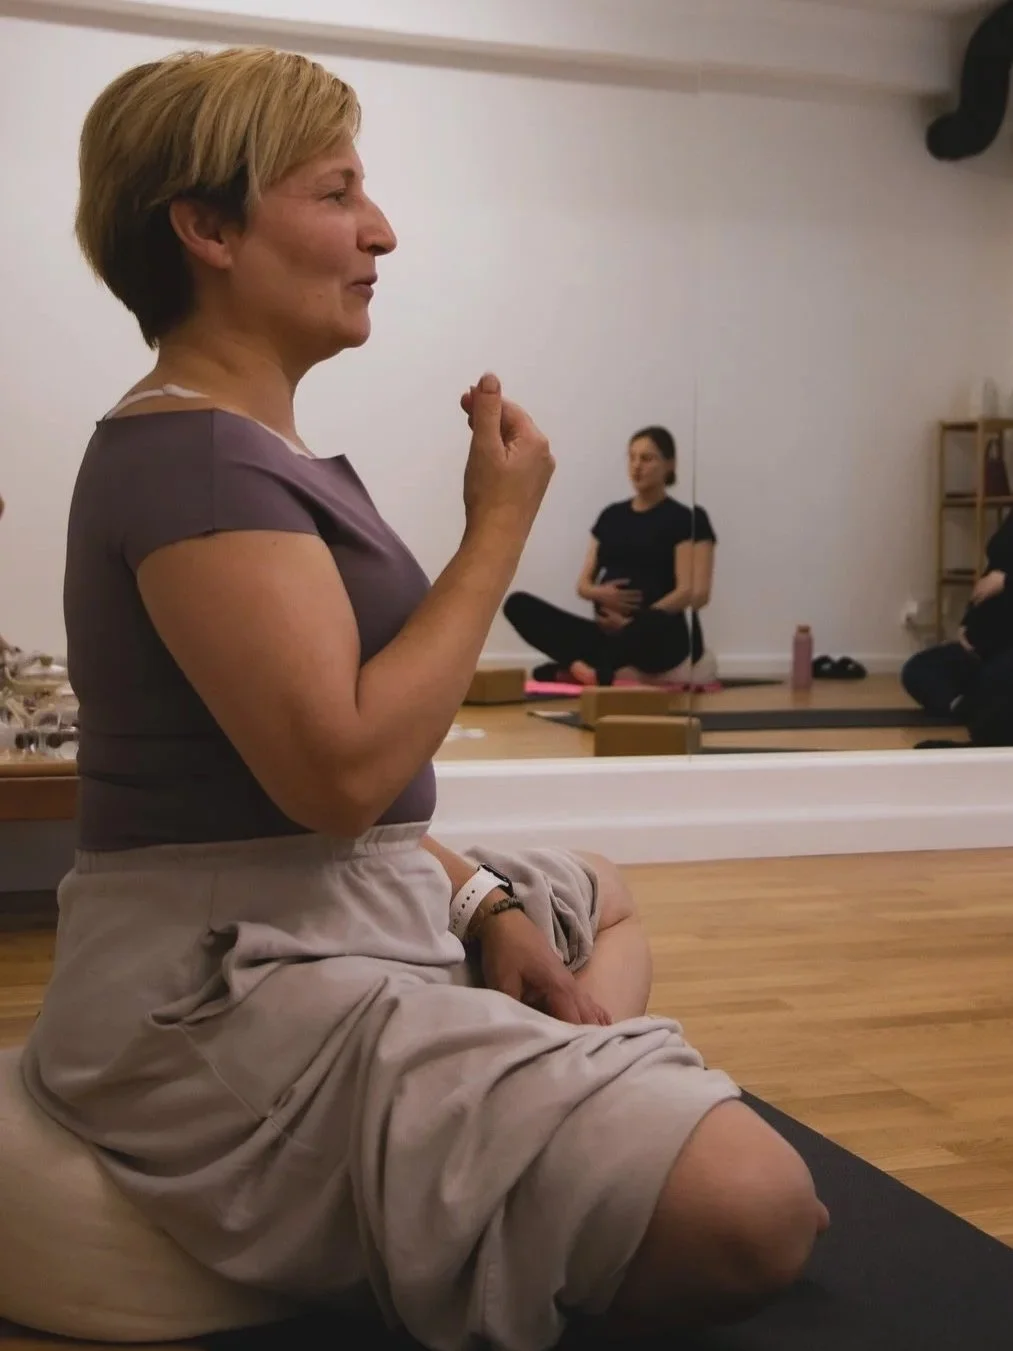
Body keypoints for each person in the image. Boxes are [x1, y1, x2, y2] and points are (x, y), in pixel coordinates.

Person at [20, 47, 826, 1351]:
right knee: (759, 1207)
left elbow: (350, 805)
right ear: (208, 227)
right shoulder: (195, 461)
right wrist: (495, 533)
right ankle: (525, 1125)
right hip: (226, 974)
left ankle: (541, 1093)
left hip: (334, 887)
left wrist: (482, 900)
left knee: (596, 889)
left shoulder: (239, 449)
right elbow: (336, 777)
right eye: (337, 192)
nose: (381, 229)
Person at [504, 426, 717, 686]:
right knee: (517, 604)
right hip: (609, 633)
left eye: (647, 458)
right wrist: (600, 594)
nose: (637, 466)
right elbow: (583, 585)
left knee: (654, 627)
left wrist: (634, 622)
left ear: (670, 464)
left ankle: (590, 669)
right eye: (632, 457)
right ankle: (585, 667)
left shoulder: (685, 519)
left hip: (656, 635)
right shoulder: (611, 517)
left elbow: (689, 592)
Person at [903, 512, 1013, 745]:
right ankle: (974, 706)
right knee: (918, 671)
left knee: (996, 679)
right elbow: (988, 580)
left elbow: (998, 580)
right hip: (984, 648)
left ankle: (986, 708)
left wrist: (1006, 581)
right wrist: (968, 622)